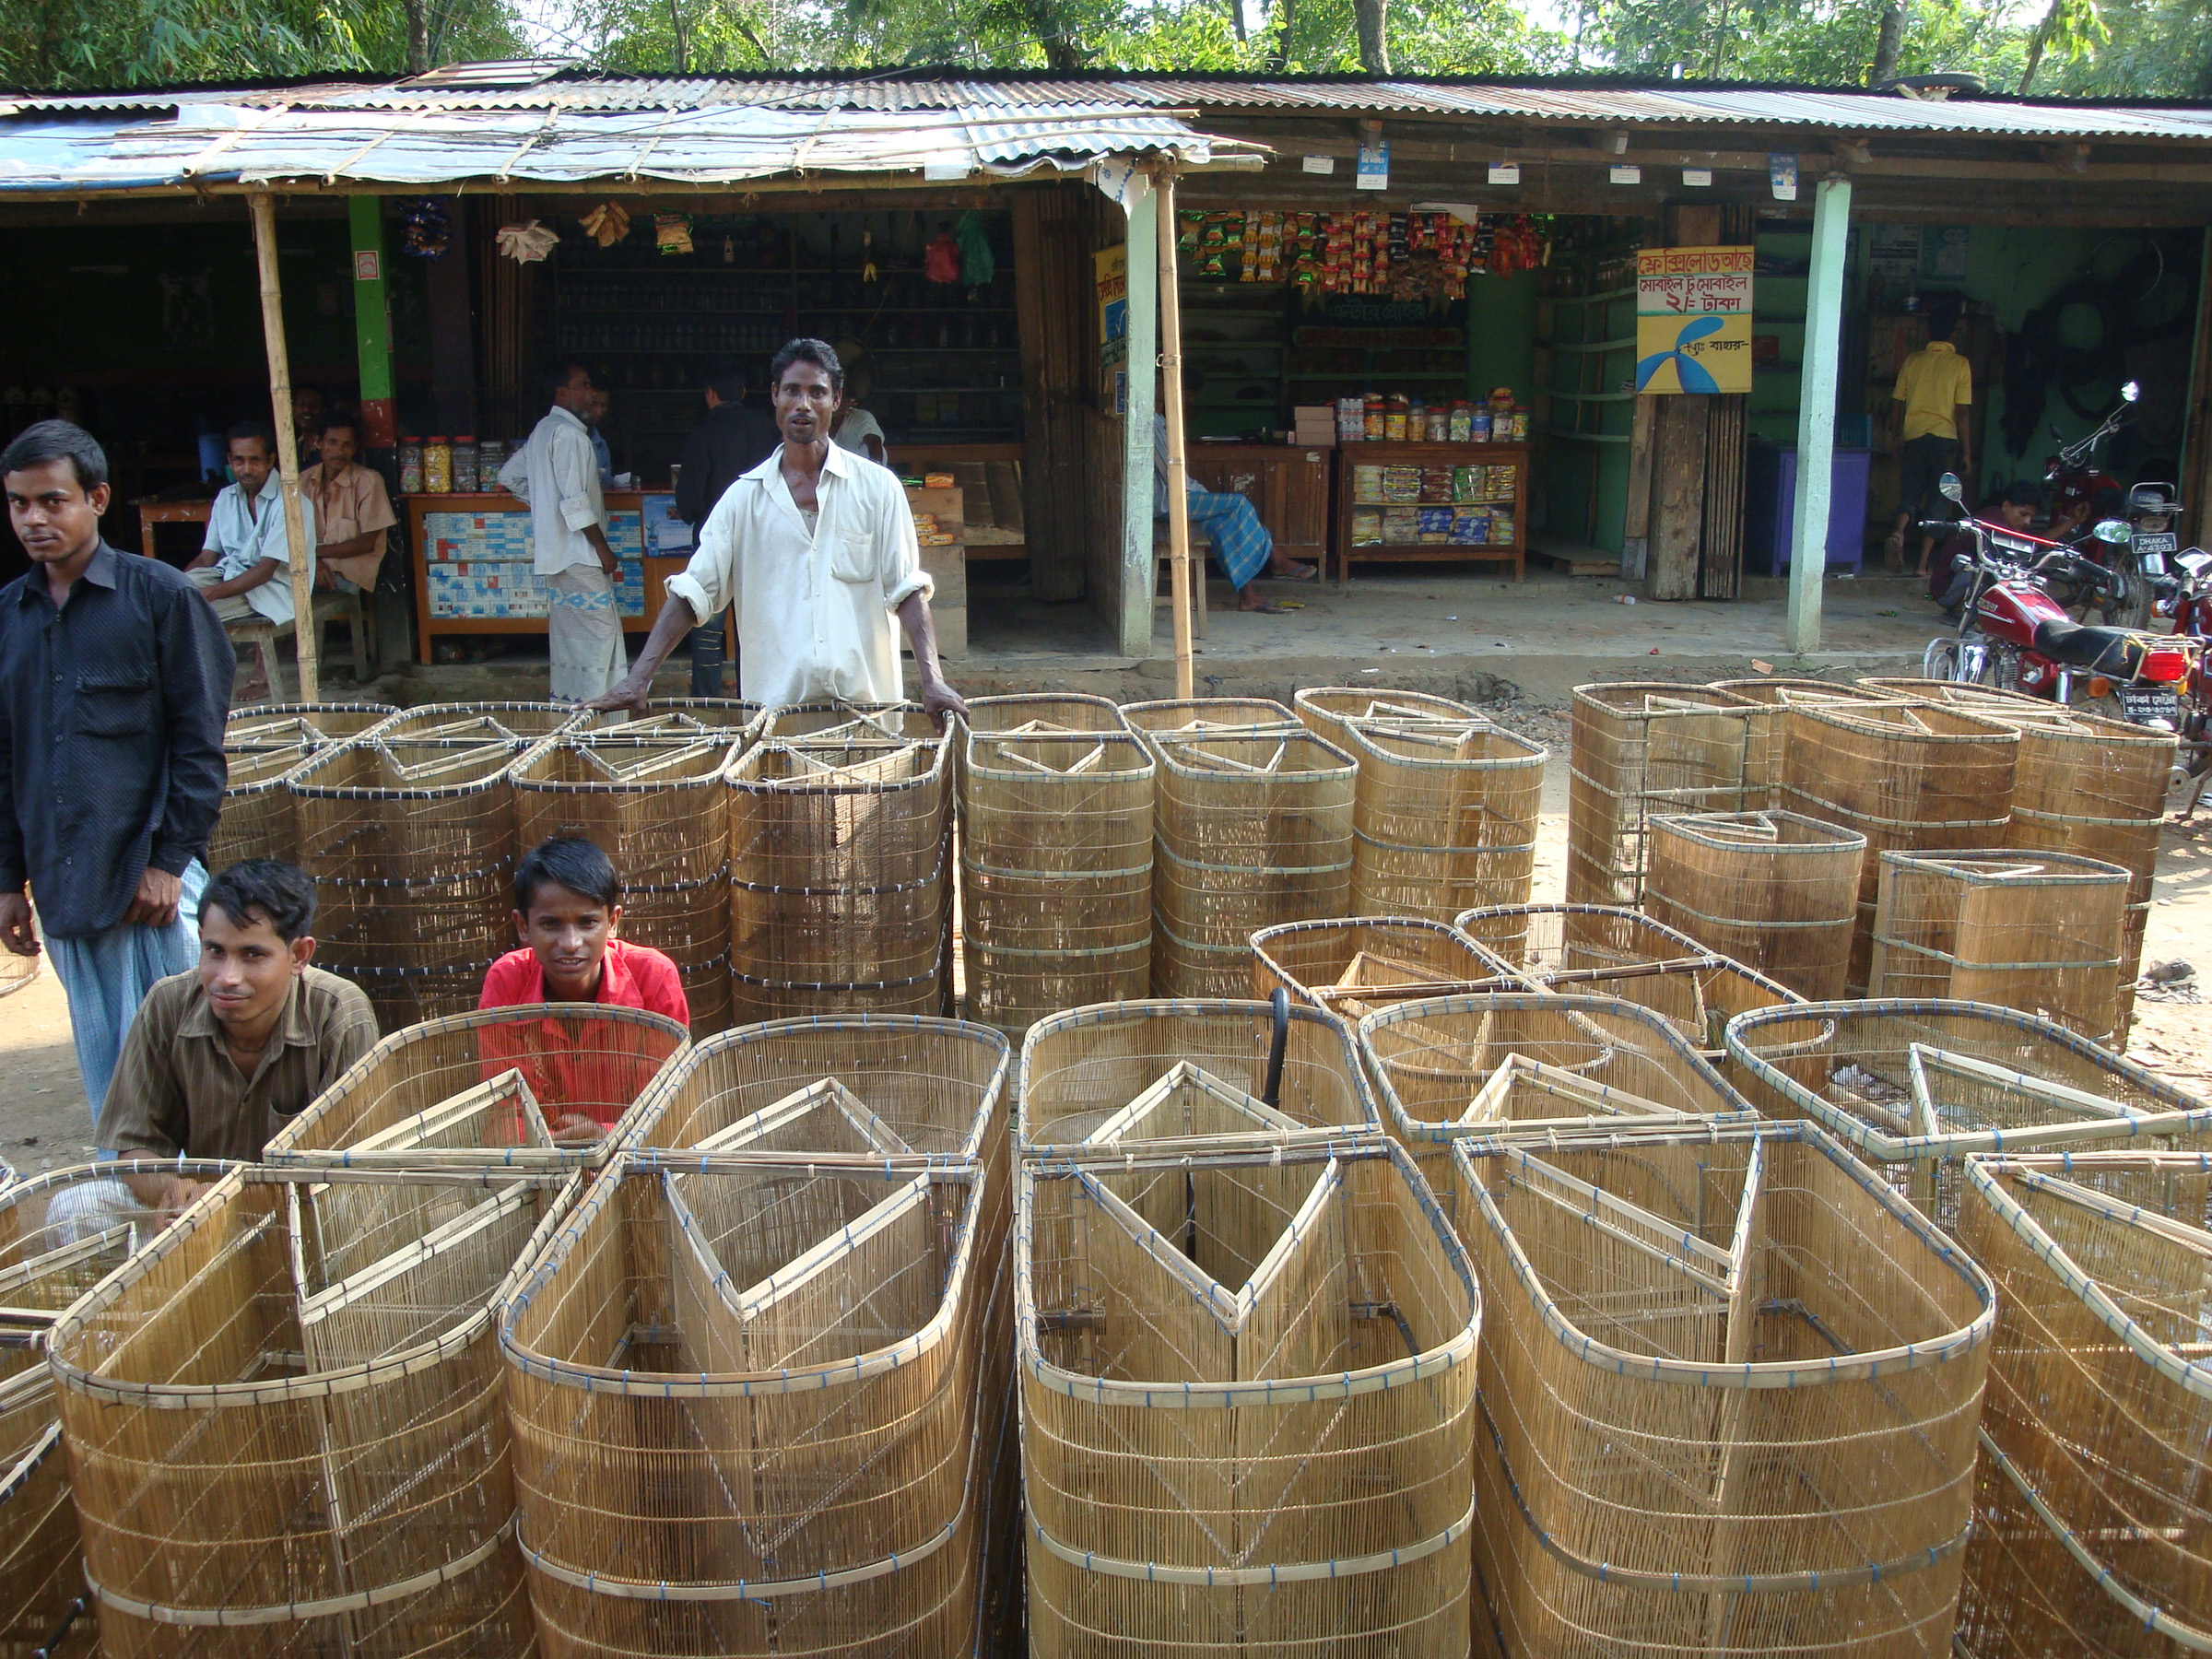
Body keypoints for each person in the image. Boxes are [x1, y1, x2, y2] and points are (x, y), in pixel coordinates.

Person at [0, 420, 234, 1122]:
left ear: (96, 498)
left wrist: (169, 860)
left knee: (189, 1068)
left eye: (53, 500)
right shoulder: (8, 618)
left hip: (151, 887)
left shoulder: (162, 599)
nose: (35, 519)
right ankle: (138, 1211)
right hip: (65, 883)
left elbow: (200, 748)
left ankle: (203, 1211)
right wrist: (9, 880)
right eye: (19, 504)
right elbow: (7, 758)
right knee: (108, 1076)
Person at [588, 338, 965, 722]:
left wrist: (933, 681)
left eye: (817, 392)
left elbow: (907, 589)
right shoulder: (743, 500)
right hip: (776, 721)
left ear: (836, 400)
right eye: (792, 391)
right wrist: (638, 679)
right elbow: (693, 592)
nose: (803, 403)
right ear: (774, 396)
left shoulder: (879, 490)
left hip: (868, 713)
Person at [99, 859, 379, 1188]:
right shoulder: (167, 1004)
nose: (227, 978)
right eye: (215, 951)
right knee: (73, 1210)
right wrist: (178, 1194)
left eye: (252, 955)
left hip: (308, 1211)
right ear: (200, 939)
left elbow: (353, 1167)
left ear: (299, 955)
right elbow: (136, 1147)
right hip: (200, 1210)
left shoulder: (338, 1013)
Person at [477, 837, 688, 1143]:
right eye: (550, 924)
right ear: (523, 926)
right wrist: (553, 1147)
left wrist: (606, 1135)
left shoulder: (653, 978)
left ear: (612, 922)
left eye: (588, 922)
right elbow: (504, 1114)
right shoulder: (506, 983)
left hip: (636, 1159)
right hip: (541, 1166)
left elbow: (670, 1108)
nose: (571, 943)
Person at [498, 364, 629, 704]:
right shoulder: (570, 435)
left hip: (555, 556)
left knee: (571, 640)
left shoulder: (544, 429)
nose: (590, 392)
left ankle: (572, 706)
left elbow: (511, 476)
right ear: (562, 392)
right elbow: (575, 503)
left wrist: (546, 504)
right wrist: (603, 549)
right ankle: (600, 711)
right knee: (603, 635)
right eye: (583, 385)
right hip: (579, 553)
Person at [674, 360, 779, 697]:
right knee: (755, 627)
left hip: (714, 544)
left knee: (707, 630)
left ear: (709, 395)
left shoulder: (704, 432)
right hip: (762, 541)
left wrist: (691, 511)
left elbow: (689, 499)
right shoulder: (768, 429)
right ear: (745, 393)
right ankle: (758, 699)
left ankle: (707, 705)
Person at [187, 422, 317, 688]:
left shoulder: (291, 502)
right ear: (229, 461)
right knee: (169, 597)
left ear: (270, 460)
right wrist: (178, 581)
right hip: (230, 577)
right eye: (239, 461)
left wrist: (211, 593)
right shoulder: (226, 497)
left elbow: (266, 570)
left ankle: (200, 685)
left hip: (272, 589)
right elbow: (207, 557)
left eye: (254, 460)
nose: (246, 469)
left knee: (192, 613)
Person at [1153, 405, 1316, 613]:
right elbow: (1171, 472)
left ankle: (1248, 597)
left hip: (1178, 496)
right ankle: (1277, 560)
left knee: (1225, 522)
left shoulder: (1160, 419)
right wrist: (1199, 492)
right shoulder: (1151, 423)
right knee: (1238, 503)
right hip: (1167, 502)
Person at [1888, 301, 1974, 577]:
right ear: (1954, 334)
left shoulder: (1913, 361)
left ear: (1928, 330)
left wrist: (1896, 437)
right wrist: (1967, 451)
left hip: (1914, 437)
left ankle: (1899, 532)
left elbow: (1896, 405)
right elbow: (1961, 412)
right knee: (1939, 500)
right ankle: (1922, 565)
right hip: (1945, 440)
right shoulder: (1960, 365)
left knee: (1910, 494)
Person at [301, 411, 397, 594]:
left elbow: (367, 543)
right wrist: (315, 562)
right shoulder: (303, 482)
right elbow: (291, 536)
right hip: (312, 567)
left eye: (347, 445)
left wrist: (313, 555)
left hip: (348, 574)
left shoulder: (368, 481)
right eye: (332, 442)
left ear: (355, 448)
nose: (339, 451)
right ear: (319, 443)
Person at [1930, 477, 2041, 612]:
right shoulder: (1992, 521)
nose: (2027, 521)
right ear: (2006, 506)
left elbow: (2037, 541)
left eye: (2030, 516)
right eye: (2023, 514)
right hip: (1947, 590)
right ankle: (1964, 611)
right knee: (1992, 571)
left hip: (1956, 586)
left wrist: (2072, 521)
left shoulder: (2005, 523)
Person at [831, 363, 887, 465]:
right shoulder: (816, 420)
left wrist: (875, 474)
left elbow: (874, 443)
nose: (837, 400)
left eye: (840, 395)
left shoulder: (861, 417)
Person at [290, 384, 325, 468]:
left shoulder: (329, 446)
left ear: (323, 410)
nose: (306, 409)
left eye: (314, 405)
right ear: (292, 408)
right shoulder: (294, 445)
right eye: (301, 404)